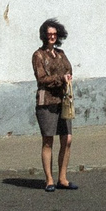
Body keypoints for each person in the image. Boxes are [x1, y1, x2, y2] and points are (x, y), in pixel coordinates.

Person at [32, 19, 75, 192]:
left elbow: (69, 69)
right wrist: (60, 79)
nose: (52, 36)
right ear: (44, 35)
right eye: (49, 34)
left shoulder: (61, 53)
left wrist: (67, 77)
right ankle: (49, 179)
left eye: (55, 34)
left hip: (63, 101)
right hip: (46, 102)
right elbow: (42, 78)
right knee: (48, 140)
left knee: (67, 139)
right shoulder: (39, 55)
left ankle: (62, 178)